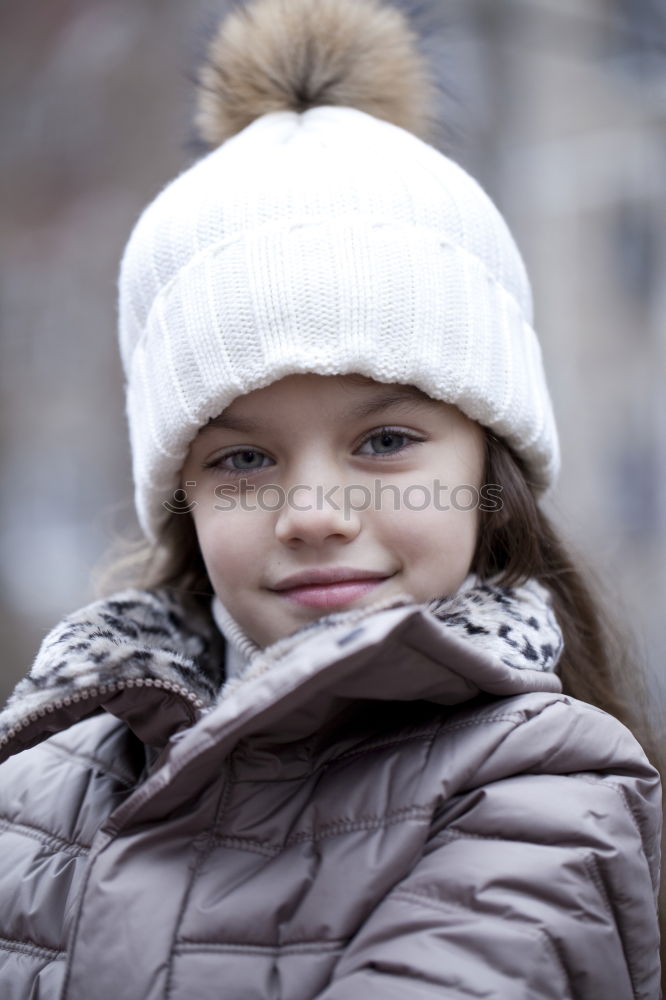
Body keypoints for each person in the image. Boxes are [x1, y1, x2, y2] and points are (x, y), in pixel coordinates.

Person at [0, 0, 661, 996]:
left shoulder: (544, 790)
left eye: (386, 441)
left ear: (491, 470)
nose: (313, 510)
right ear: (179, 492)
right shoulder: (46, 773)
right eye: (241, 462)